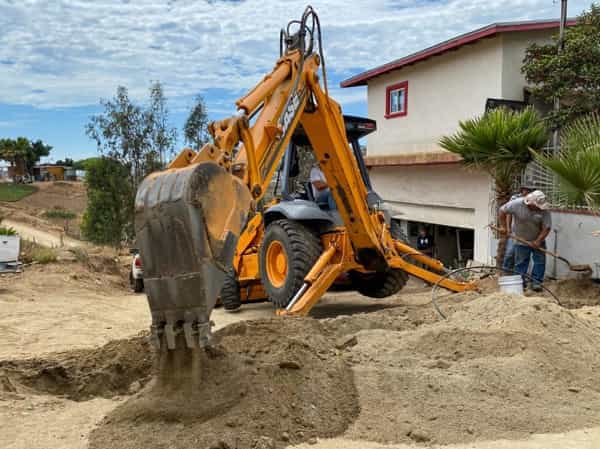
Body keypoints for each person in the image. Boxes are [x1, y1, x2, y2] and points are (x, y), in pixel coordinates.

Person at [498, 190, 552, 292]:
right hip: (521, 239)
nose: (539, 208)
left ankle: (536, 283)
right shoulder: (517, 204)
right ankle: (520, 283)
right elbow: (502, 211)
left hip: (538, 239)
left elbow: (547, 227)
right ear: (531, 203)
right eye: (537, 206)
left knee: (540, 262)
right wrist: (503, 227)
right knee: (521, 262)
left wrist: (538, 241)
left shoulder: (544, 210)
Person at [502, 185, 534, 272]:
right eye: (526, 189)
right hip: (515, 231)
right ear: (522, 190)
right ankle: (505, 271)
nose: (527, 192)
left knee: (522, 257)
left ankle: (519, 276)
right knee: (510, 252)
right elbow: (508, 213)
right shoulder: (515, 198)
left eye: (529, 190)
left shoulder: (533, 200)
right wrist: (508, 228)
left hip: (527, 234)